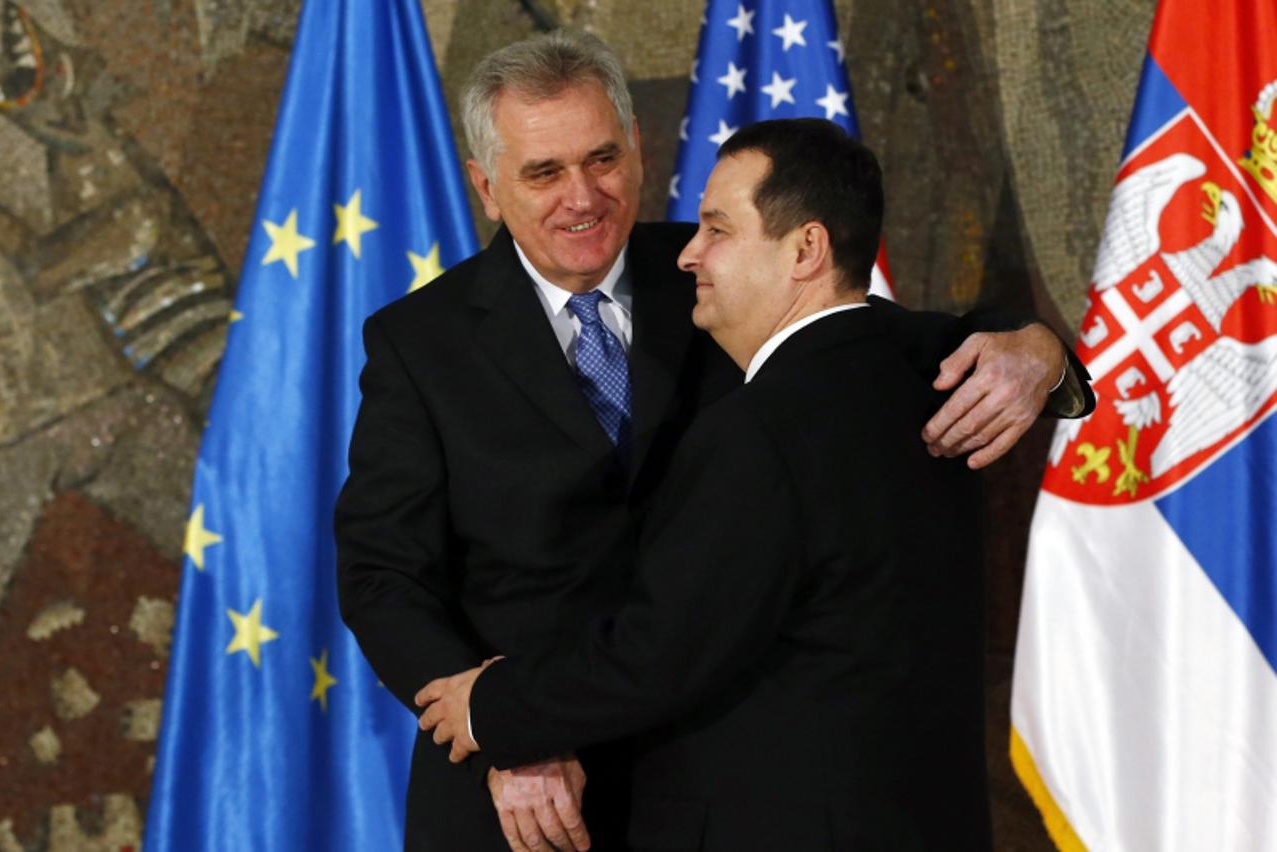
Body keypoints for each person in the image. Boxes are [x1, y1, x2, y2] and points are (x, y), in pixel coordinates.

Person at [334, 30, 1088, 852]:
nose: (582, 196)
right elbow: (382, 575)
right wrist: (503, 735)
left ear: (638, 148)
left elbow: (890, 339)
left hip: (719, 783)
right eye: (544, 172)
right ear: (487, 186)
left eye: (602, 159)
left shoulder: (720, 273)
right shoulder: (420, 342)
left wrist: (1040, 353)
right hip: (524, 796)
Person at [419, 118, 993, 851]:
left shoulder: (758, 428)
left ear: (805, 249)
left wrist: (490, 706)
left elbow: (661, 652)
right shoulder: (931, 392)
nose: (690, 253)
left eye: (718, 230)